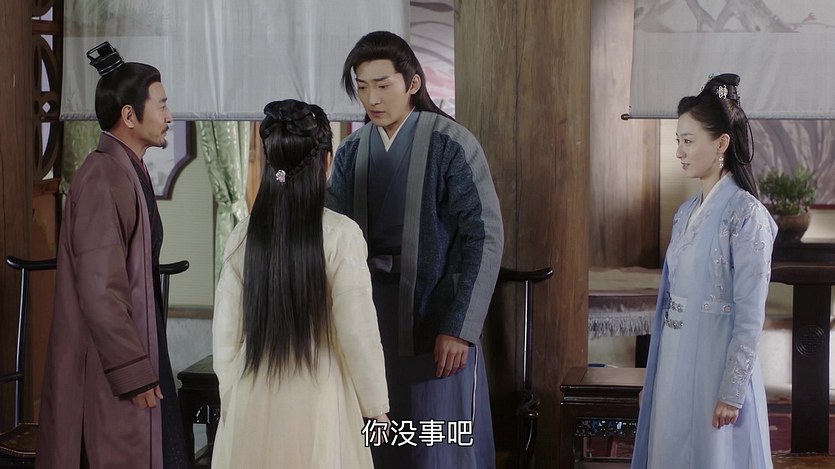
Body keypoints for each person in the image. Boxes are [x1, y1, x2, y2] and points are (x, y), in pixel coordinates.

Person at [327, 31, 504, 468]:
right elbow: (329, 233)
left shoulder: (452, 144)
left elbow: (483, 235)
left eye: (383, 84)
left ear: (412, 83)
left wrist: (460, 327)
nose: (372, 98)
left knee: (439, 441)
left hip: (435, 317)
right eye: (362, 86)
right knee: (378, 437)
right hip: (368, 317)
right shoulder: (351, 151)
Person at [211, 99, 390, 468]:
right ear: (326, 162)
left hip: (251, 393)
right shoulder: (340, 235)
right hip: (320, 397)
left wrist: (231, 394)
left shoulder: (244, 235)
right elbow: (358, 332)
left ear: (268, 161)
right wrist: (375, 407)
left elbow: (226, 335)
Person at [36, 42, 189, 468]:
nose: (169, 117)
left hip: (137, 346)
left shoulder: (125, 169)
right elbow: (100, 291)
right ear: (129, 116)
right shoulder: (103, 179)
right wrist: (133, 371)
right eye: (161, 106)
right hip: (109, 366)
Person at [631, 73, 775, 469]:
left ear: (721, 144)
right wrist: (653, 379)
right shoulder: (685, 213)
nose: (679, 151)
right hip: (673, 359)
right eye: (678, 140)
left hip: (715, 367)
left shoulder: (747, 215)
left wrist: (732, 391)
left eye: (688, 141)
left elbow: (750, 314)